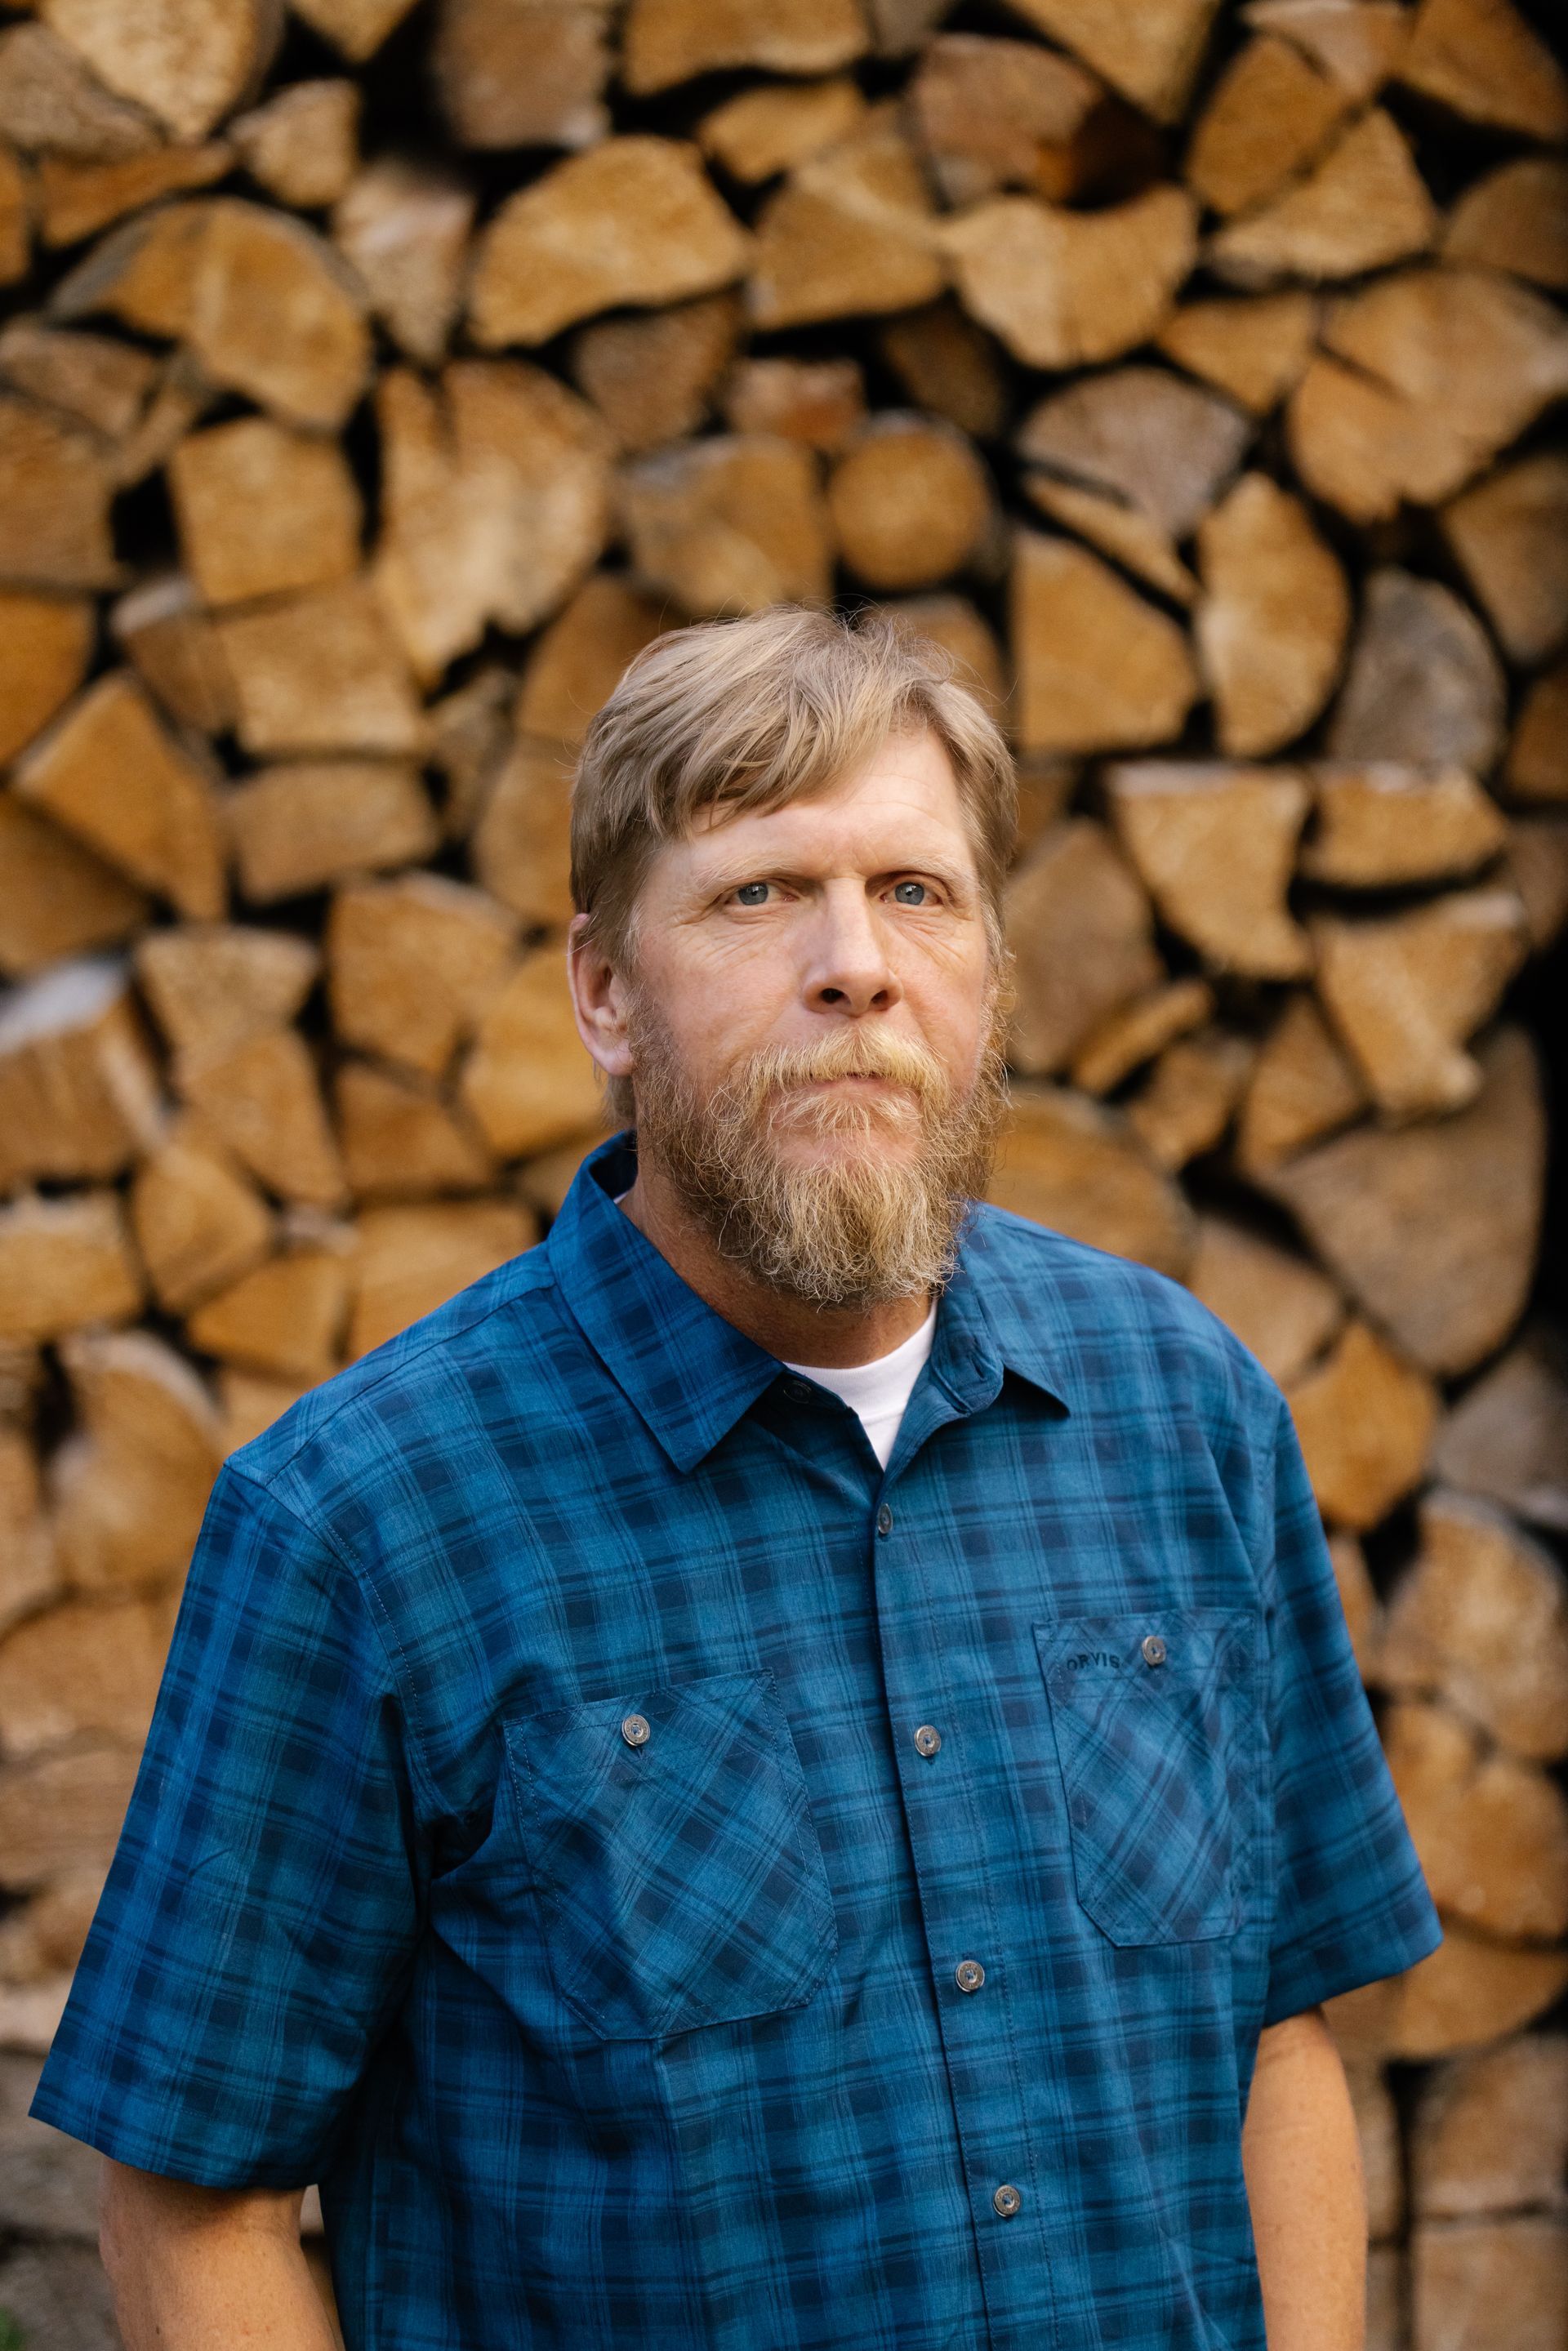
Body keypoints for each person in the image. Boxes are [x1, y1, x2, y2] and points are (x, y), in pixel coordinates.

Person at [33, 608, 1440, 2351]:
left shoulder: (1186, 1410)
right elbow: (191, 2211)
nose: (855, 963)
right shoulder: (363, 1523)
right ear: (604, 994)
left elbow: (1282, 2037)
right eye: (760, 893)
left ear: (990, 972)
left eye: (916, 893)